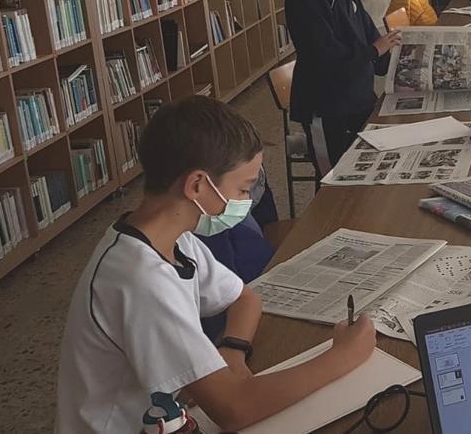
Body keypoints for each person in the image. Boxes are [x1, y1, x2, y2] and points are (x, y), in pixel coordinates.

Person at [56, 96, 377, 433]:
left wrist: (232, 351)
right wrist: (345, 356)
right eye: (243, 189)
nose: (247, 202)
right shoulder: (139, 279)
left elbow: (244, 298)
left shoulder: (174, 237)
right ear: (196, 185)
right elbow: (234, 409)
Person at [285, 0, 400, 170]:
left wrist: (395, 55)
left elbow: (369, 34)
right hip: (327, 104)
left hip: (357, 97)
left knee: (367, 167)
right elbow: (324, 55)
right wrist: (374, 51)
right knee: (334, 182)